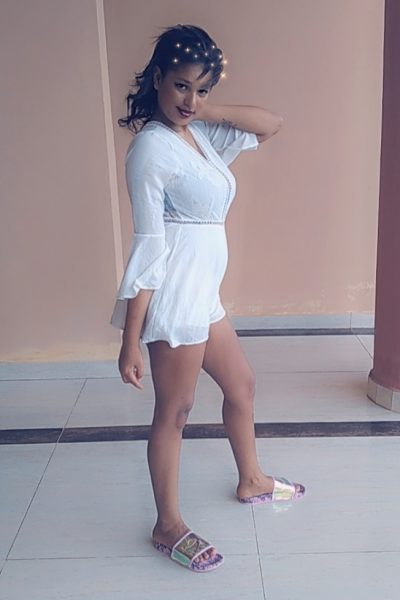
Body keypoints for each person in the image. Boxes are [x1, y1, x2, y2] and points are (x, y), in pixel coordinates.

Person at [110, 24, 305, 573]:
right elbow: (149, 247)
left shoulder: (195, 134)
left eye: (200, 88)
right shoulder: (151, 149)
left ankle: (252, 480)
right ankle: (167, 524)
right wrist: (130, 340)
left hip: (204, 295)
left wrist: (205, 109)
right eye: (180, 86)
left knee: (241, 385)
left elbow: (270, 124)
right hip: (174, 296)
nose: (188, 100)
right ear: (157, 79)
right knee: (174, 412)